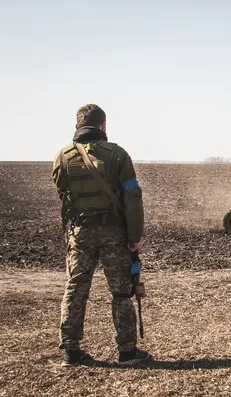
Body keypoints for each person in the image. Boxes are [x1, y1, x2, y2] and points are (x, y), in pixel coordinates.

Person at [52, 104, 151, 367]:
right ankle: (127, 351)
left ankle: (71, 350)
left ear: (77, 126)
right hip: (113, 234)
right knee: (120, 292)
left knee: (75, 288)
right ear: (103, 126)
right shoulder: (117, 155)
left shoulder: (62, 157)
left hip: (80, 232)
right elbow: (132, 197)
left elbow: (64, 197)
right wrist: (135, 236)